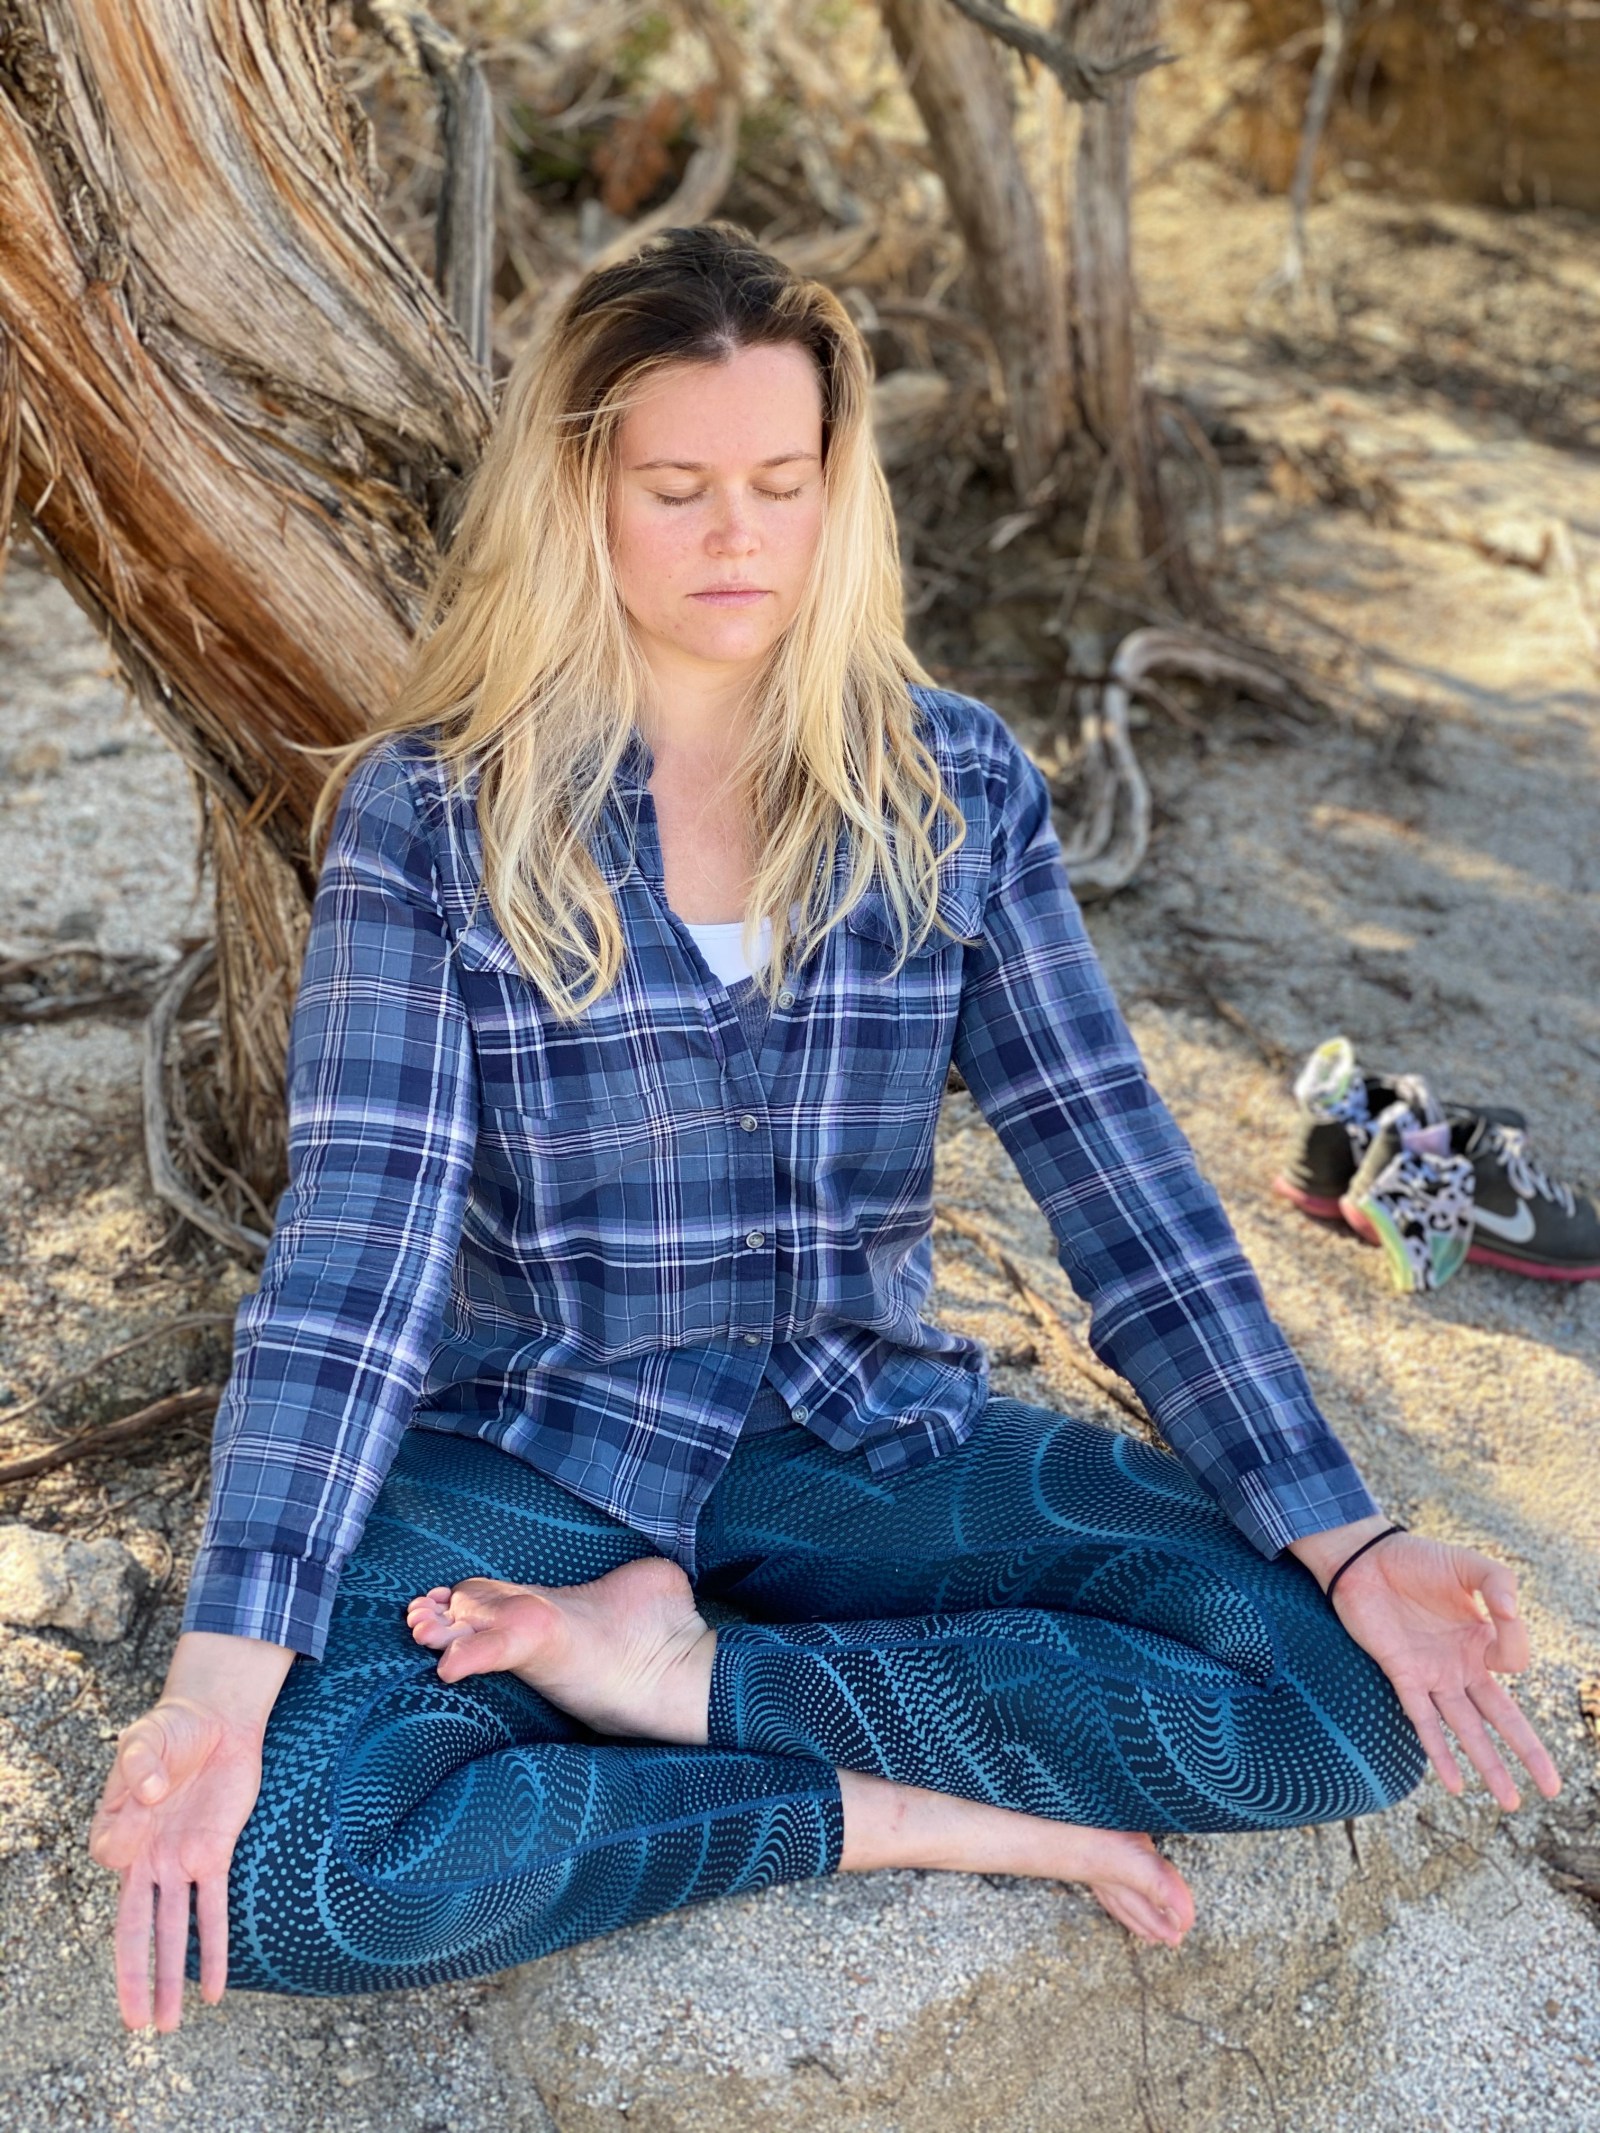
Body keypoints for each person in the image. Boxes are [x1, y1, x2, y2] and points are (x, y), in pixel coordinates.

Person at [89, 222, 1559, 2033]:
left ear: (837, 486)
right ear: (577, 494)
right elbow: (355, 1257)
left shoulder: (957, 786)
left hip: (861, 1439)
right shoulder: (435, 813)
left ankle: (680, 1682)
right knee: (294, 1865)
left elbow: (1127, 1194)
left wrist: (1350, 1541)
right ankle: (871, 1800)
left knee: (1339, 1706)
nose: (740, 538)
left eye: (783, 483)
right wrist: (218, 1687)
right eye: (679, 488)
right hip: (542, 1445)